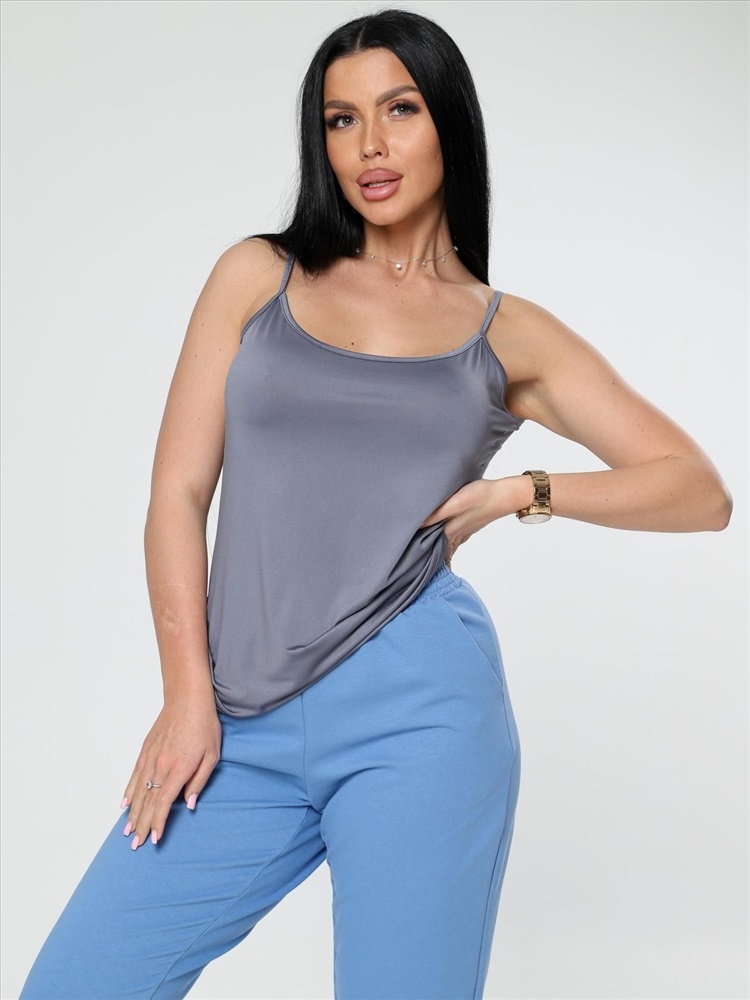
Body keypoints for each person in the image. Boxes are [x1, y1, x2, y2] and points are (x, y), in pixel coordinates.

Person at [20, 7, 732, 999]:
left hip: (420, 715)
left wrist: (522, 491)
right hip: (236, 718)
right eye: (340, 119)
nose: (369, 146)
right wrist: (187, 697)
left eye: (399, 110)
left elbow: (698, 488)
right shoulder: (257, 277)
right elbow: (177, 494)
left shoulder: (506, 333)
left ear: (448, 121)